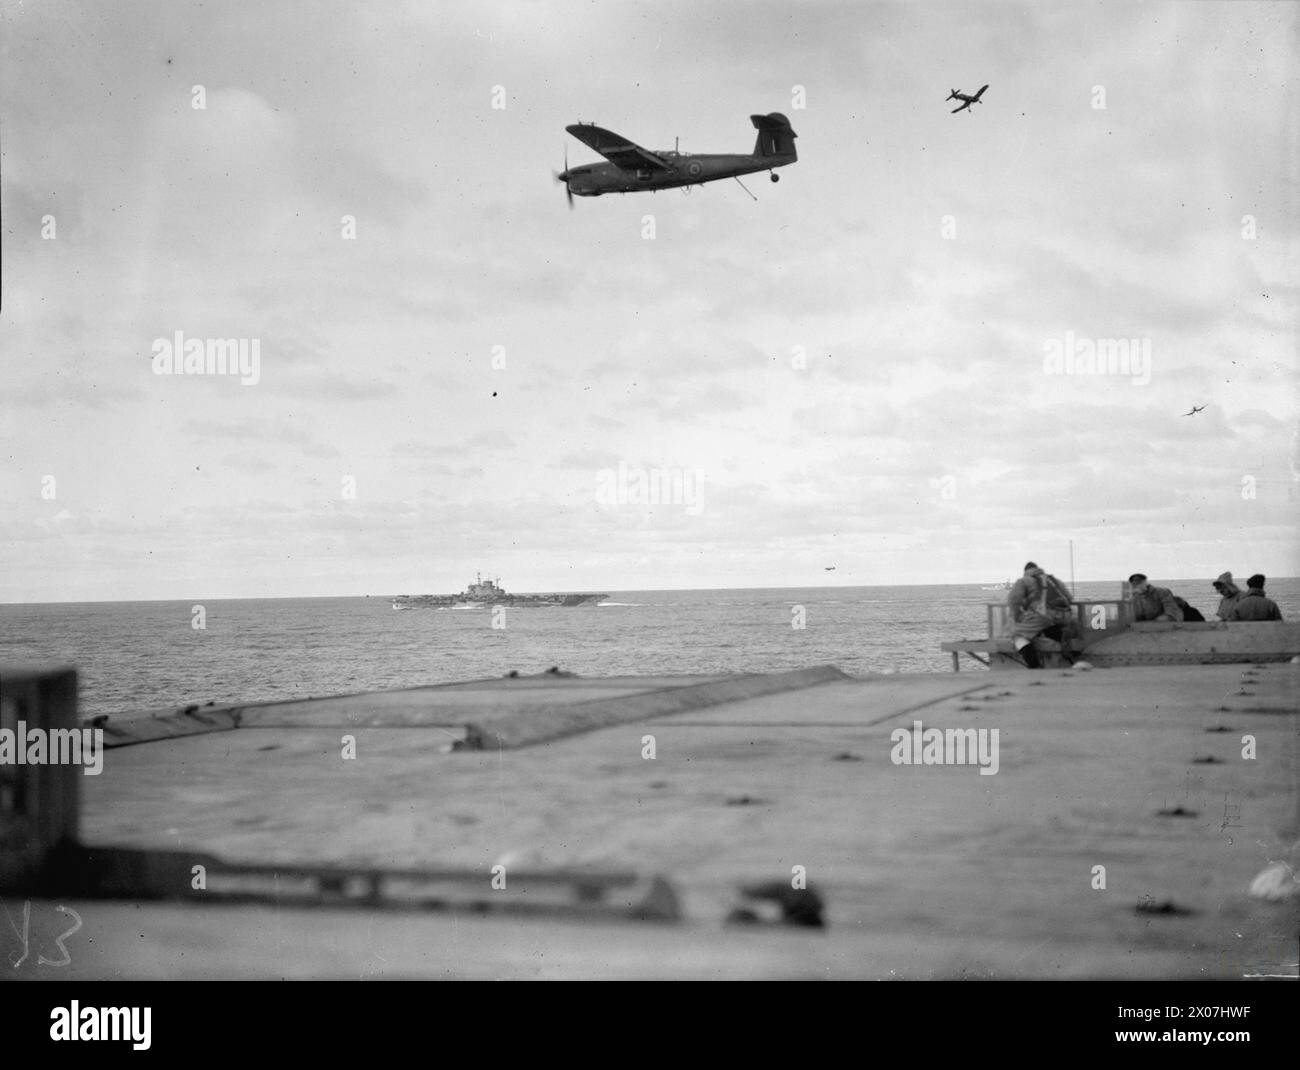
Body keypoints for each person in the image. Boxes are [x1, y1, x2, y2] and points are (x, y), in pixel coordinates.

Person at [1005, 562, 1075, 668]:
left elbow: (1013, 601)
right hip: (1065, 616)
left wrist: (1016, 618)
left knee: (1017, 634)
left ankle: (1034, 665)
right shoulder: (1054, 581)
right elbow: (1069, 598)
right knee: (1042, 627)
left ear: (1025, 572)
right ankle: (1059, 634)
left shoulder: (1024, 581)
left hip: (1043, 616)